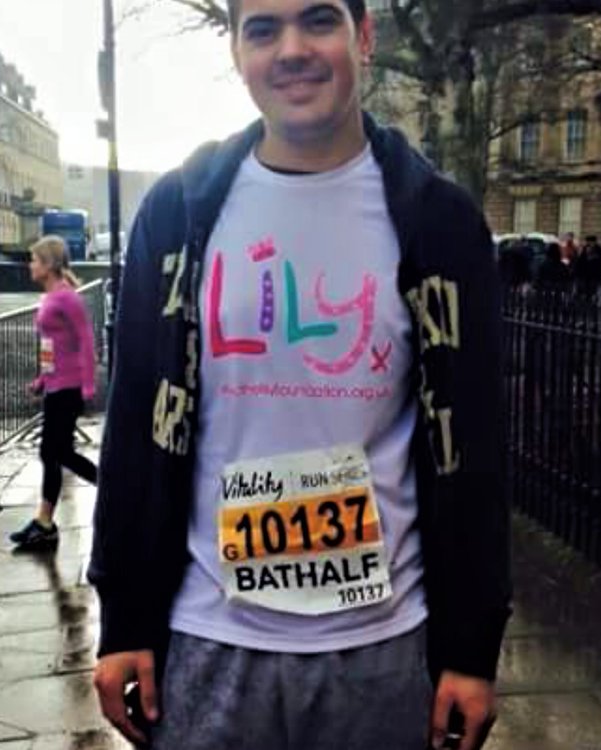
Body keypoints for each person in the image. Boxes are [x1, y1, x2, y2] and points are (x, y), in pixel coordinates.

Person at [89, 2, 511, 749]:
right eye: (263, 29)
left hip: (384, 648)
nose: (291, 50)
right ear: (237, 52)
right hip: (207, 640)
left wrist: (471, 647)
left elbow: (474, 440)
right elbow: (132, 421)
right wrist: (124, 619)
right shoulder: (179, 211)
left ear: (365, 37)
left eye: (318, 21)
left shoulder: (438, 220)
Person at [9, 236, 97, 551]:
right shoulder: (51, 297)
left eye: (34, 260)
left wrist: (88, 383)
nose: (30, 265)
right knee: (53, 453)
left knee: (58, 453)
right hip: (56, 386)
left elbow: (86, 340)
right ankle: (44, 522)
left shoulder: (66, 298)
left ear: (48, 265)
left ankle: (114, 491)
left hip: (69, 388)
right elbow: (53, 347)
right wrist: (41, 380)